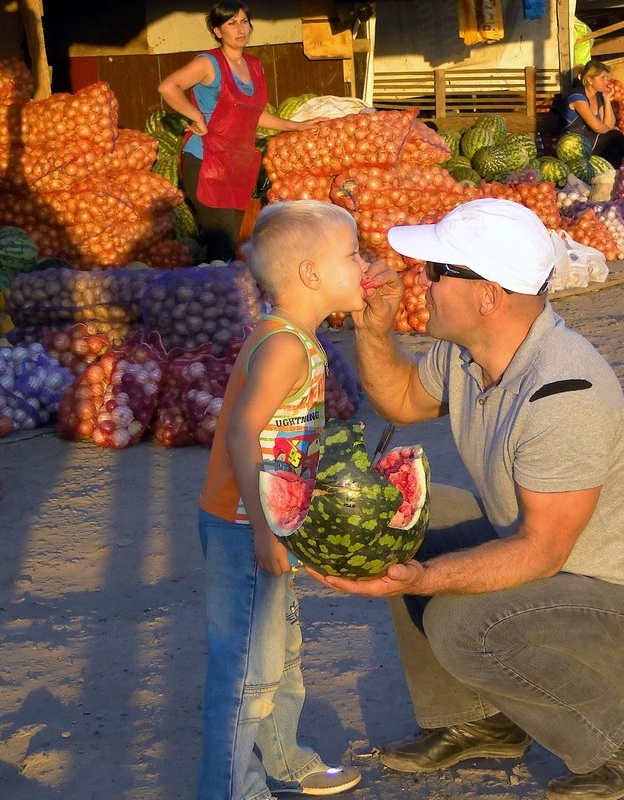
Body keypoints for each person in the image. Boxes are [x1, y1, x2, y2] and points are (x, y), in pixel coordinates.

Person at [311, 197, 624, 800]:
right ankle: (478, 721)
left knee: (461, 621)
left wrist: (419, 578)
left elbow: (541, 552)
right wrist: (373, 328)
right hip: (559, 576)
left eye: (439, 271)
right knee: (406, 511)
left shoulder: (561, 390)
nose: (425, 282)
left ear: (489, 295)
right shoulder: (469, 353)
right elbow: (402, 401)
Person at [196, 200, 368, 799]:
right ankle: (230, 790)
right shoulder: (285, 347)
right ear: (311, 275)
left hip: (268, 524)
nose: (363, 263)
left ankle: (286, 756)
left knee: (284, 656)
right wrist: (266, 535)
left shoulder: (297, 337)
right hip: (243, 529)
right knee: (247, 674)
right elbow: (244, 431)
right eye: (353, 254)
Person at [158, 2, 319, 262]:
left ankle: (211, 290)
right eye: (231, 23)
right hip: (205, 160)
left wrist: (296, 126)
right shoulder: (208, 62)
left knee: (231, 243)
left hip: (238, 165)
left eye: (244, 21)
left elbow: (253, 115)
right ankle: (219, 297)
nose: (240, 28)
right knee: (221, 239)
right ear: (218, 31)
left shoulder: (255, 66)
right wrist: (196, 115)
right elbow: (168, 87)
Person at [560, 59, 624, 168]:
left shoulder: (598, 96)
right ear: (590, 80)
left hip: (590, 142)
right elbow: (597, 127)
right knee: (615, 135)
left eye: (606, 78)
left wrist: (606, 98)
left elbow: (608, 124)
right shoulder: (577, 98)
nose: (607, 82)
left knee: (614, 151)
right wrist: (613, 133)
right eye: (602, 78)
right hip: (575, 147)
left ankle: (616, 178)